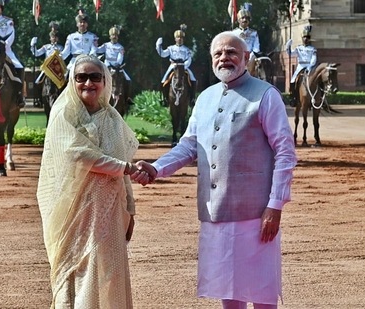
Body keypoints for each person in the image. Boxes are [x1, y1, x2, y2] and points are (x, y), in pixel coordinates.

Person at [132, 31, 297, 309]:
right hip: (215, 211)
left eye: (232, 52)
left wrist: (276, 204)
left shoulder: (266, 96)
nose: (225, 57)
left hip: (255, 214)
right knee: (227, 286)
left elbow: (285, 152)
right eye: (218, 53)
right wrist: (156, 168)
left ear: (246, 57)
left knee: (260, 289)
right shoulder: (205, 98)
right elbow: (188, 146)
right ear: (211, 60)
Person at [36, 55, 141, 308]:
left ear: (106, 81)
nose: (88, 83)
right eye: (81, 77)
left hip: (112, 210)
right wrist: (126, 168)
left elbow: (123, 162)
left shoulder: (113, 118)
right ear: (72, 81)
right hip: (77, 210)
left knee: (110, 271)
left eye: (95, 77)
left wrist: (131, 209)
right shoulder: (65, 114)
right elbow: (80, 155)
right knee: (79, 269)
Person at [155, 24, 197, 105]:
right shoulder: (171, 48)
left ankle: (192, 99)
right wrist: (158, 46)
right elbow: (162, 54)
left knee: (193, 79)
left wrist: (183, 66)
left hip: (183, 66)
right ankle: (165, 99)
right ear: (175, 39)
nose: (179, 39)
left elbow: (189, 59)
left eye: (181, 38)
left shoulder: (186, 49)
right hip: (173, 66)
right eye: (178, 37)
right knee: (164, 80)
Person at [97, 25, 132, 101]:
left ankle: (127, 98)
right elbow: (98, 50)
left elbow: (120, 57)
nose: (114, 37)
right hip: (107, 65)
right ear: (110, 36)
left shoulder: (120, 47)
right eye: (113, 35)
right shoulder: (106, 45)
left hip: (117, 66)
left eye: (116, 35)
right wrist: (94, 45)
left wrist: (117, 64)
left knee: (128, 79)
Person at [285, 25, 317, 107]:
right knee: (293, 79)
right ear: (302, 38)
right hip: (301, 65)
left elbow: (314, 59)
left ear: (309, 39)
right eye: (304, 37)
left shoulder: (312, 49)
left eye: (307, 37)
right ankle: (293, 97)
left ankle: (320, 97)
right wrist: (288, 47)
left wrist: (310, 66)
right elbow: (290, 53)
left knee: (318, 78)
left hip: (310, 66)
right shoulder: (299, 48)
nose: (305, 39)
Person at [60, 10, 98, 78]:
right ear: (77, 24)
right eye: (80, 22)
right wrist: (58, 56)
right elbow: (66, 52)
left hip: (87, 60)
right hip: (74, 61)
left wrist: (89, 58)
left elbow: (94, 50)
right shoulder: (71, 37)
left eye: (84, 22)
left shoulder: (93, 37)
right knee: (65, 76)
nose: (82, 24)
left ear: (87, 24)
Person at [232, 3, 260, 77]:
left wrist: (252, 55)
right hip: (237, 55)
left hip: (251, 56)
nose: (245, 20)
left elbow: (256, 47)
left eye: (247, 18)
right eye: (243, 18)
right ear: (238, 20)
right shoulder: (234, 33)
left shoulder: (254, 33)